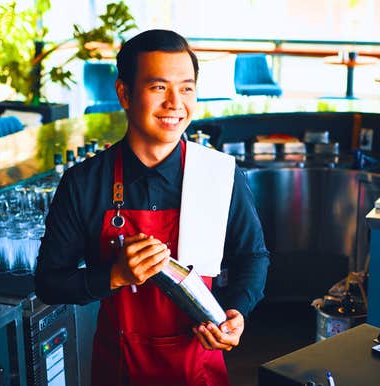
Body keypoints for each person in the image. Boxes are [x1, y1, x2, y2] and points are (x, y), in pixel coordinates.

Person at [35, 29, 269, 386]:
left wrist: (236, 311)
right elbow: (49, 283)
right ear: (124, 94)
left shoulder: (220, 174)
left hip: (200, 366)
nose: (176, 103)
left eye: (187, 88)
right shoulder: (84, 183)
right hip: (119, 368)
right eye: (158, 87)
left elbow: (253, 257)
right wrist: (115, 275)